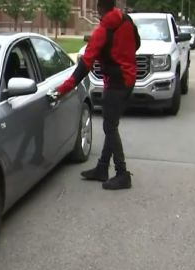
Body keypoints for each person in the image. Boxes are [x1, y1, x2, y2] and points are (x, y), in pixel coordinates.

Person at [49, 0, 140, 190]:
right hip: (129, 79)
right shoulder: (127, 20)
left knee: (109, 126)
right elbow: (137, 44)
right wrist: (121, 55)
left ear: (99, 8)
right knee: (111, 125)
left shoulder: (101, 32)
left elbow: (83, 68)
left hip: (116, 83)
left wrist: (61, 90)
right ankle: (102, 168)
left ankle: (122, 174)